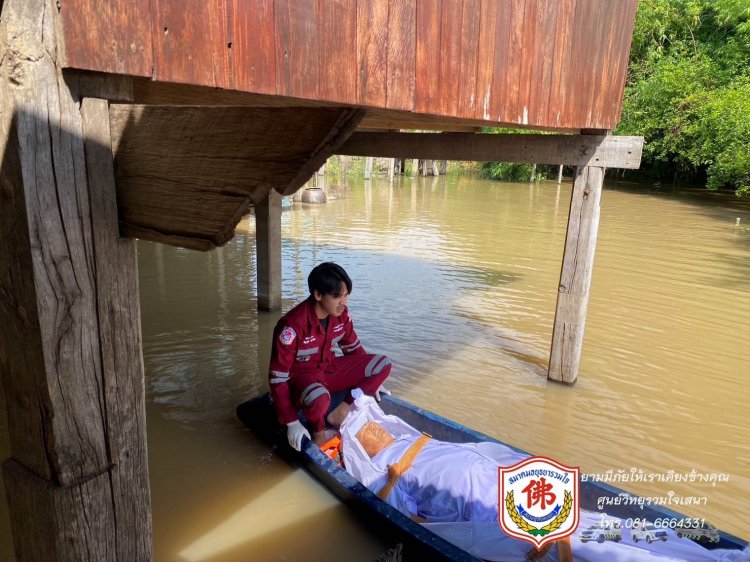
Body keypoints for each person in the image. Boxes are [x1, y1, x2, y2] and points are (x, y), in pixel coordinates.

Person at [268, 262, 391, 450]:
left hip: (328, 370)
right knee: (320, 398)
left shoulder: (341, 315)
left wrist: (369, 381)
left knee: (382, 365)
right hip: (301, 384)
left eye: (346, 295)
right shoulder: (292, 326)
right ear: (318, 295)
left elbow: (353, 348)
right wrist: (291, 422)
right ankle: (319, 432)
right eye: (336, 296)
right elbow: (277, 379)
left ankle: (342, 411)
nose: (344, 302)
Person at [352, 420, 506, 523]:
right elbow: (408, 517)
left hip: (487, 475)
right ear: (363, 449)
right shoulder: (378, 471)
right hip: (473, 505)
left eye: (372, 425)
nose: (372, 427)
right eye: (364, 432)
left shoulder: (409, 438)